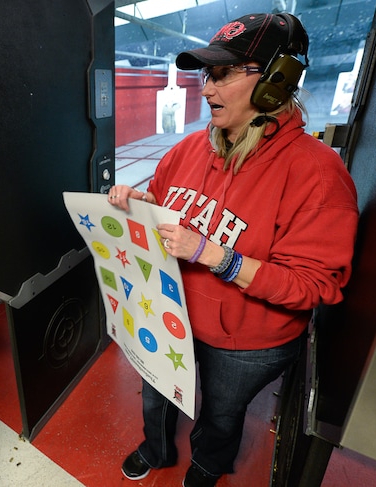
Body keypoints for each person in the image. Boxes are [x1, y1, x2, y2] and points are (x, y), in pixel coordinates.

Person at [108, 13, 358, 487]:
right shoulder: (187, 151)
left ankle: (207, 464)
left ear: (275, 80)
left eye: (222, 74)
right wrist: (142, 208)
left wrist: (216, 255)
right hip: (170, 310)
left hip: (246, 343)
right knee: (154, 391)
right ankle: (156, 448)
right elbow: (166, 207)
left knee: (222, 414)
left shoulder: (318, 174)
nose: (205, 88)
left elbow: (313, 286)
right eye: (206, 74)